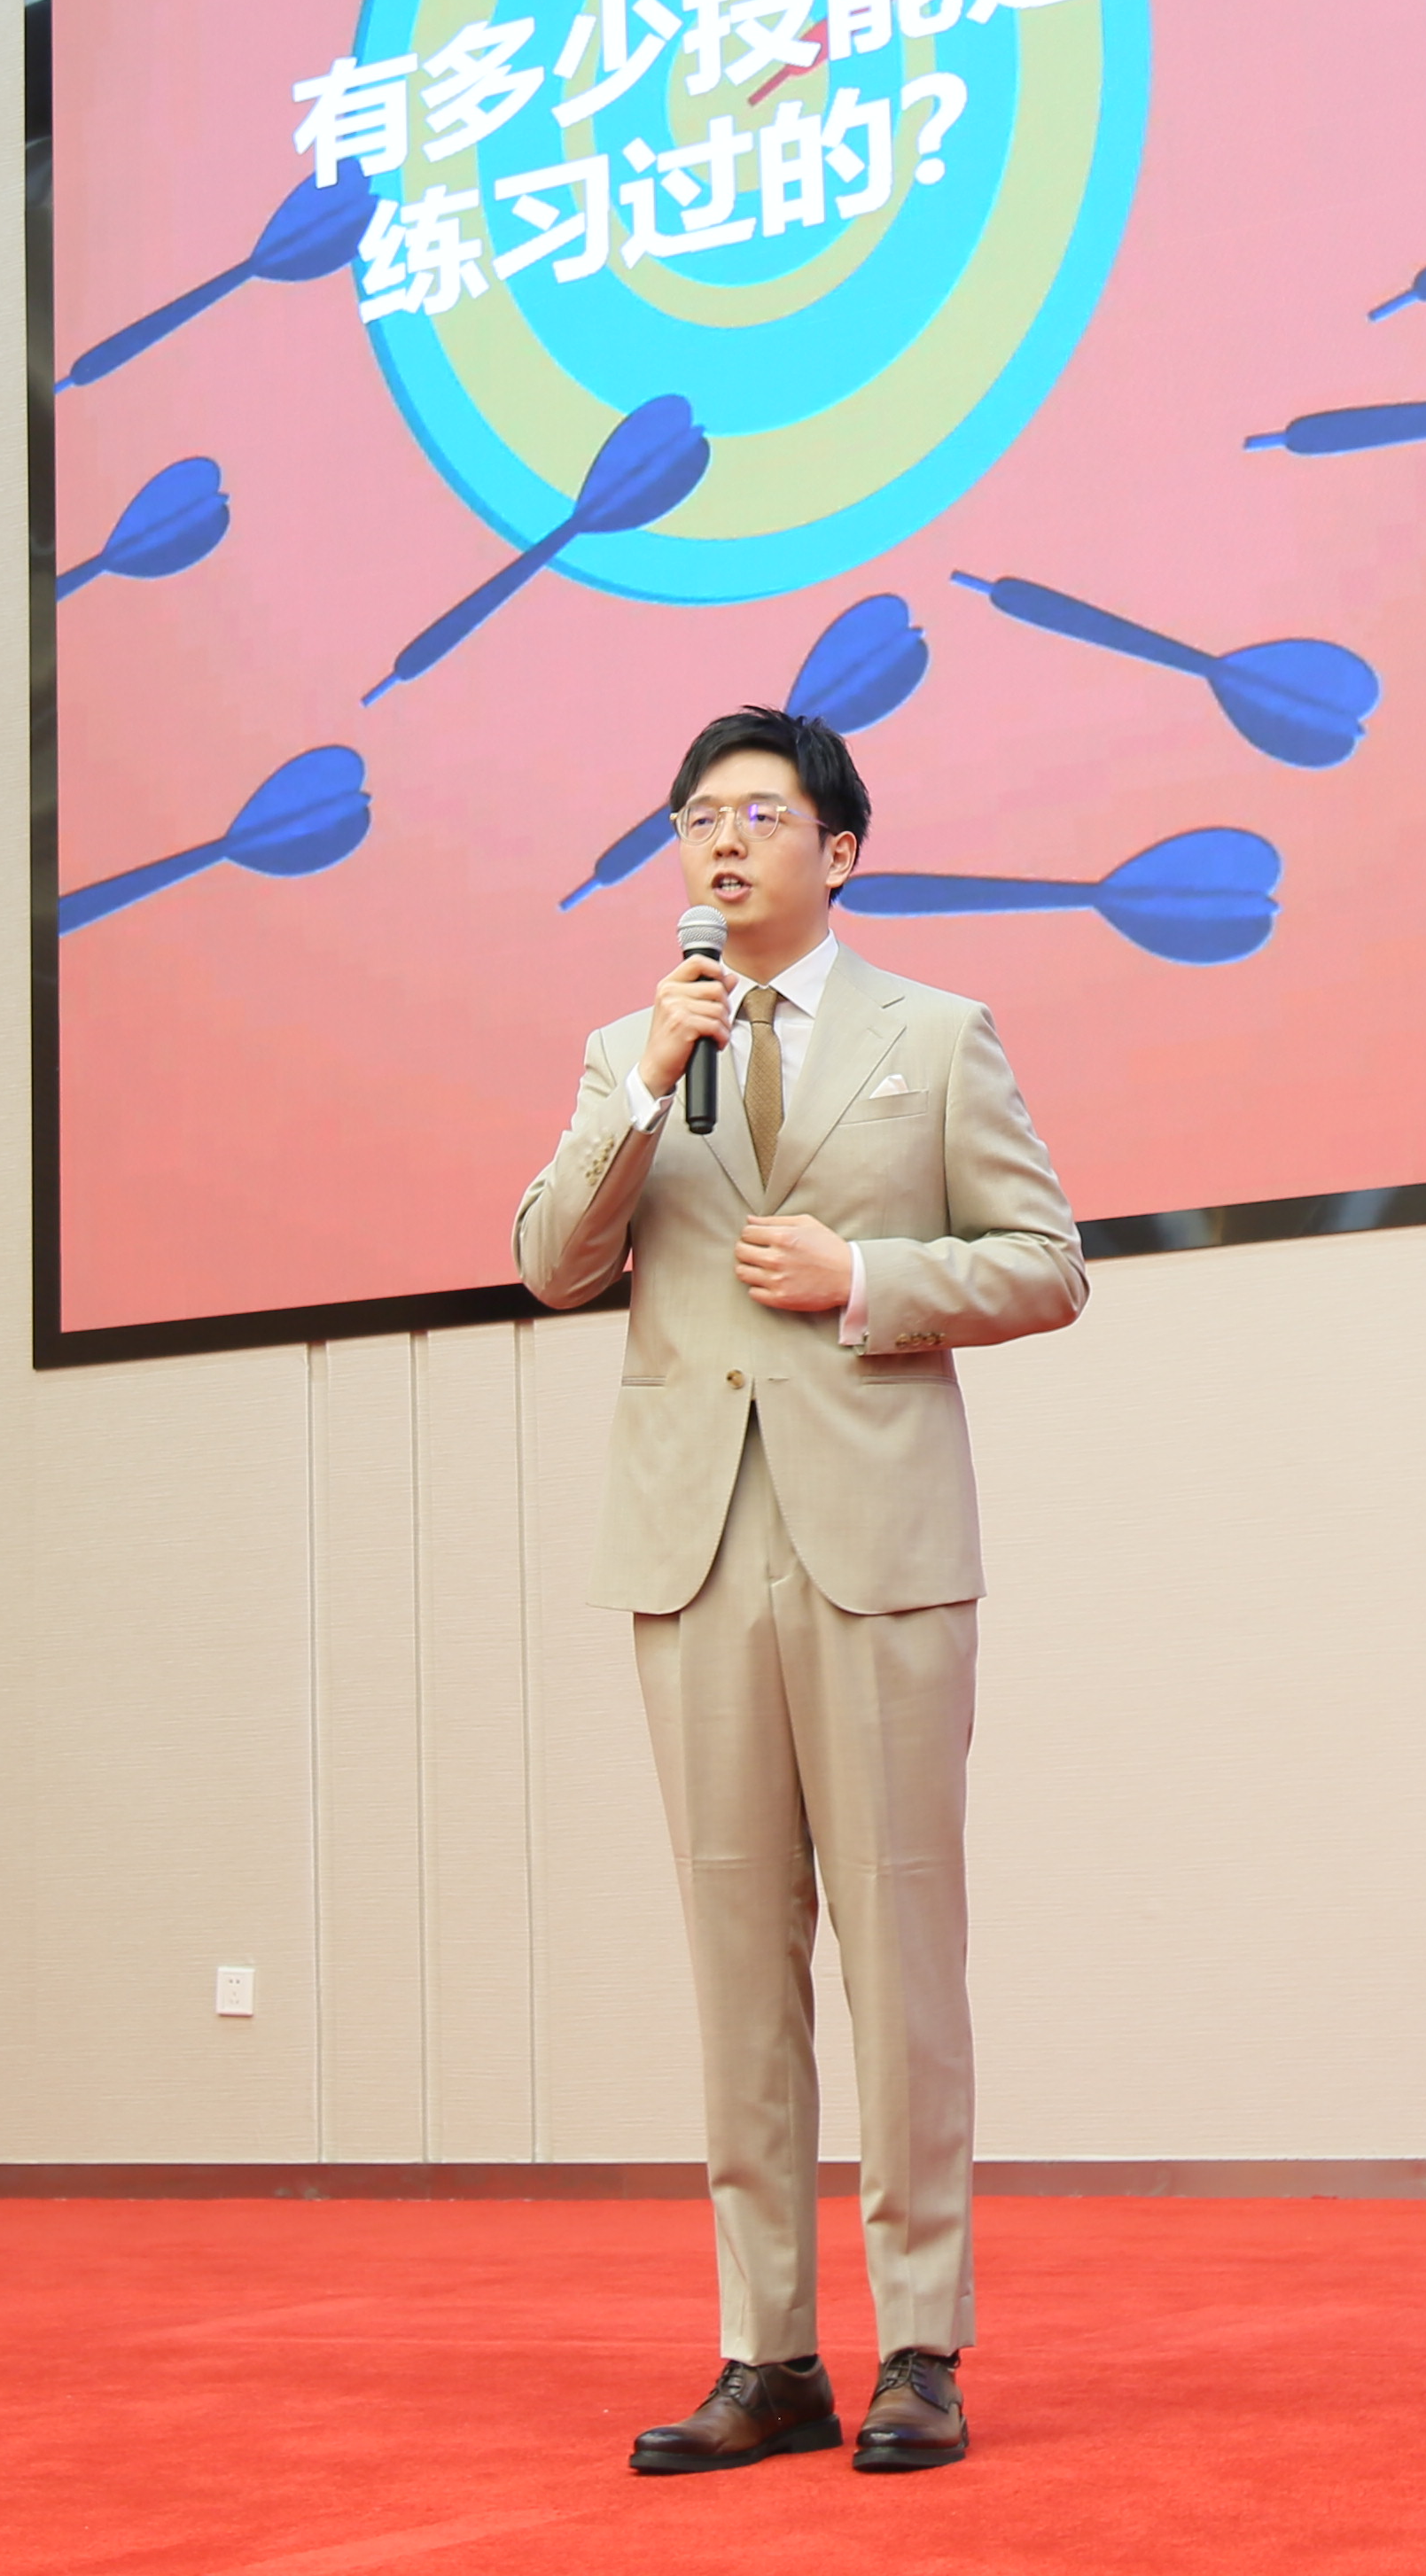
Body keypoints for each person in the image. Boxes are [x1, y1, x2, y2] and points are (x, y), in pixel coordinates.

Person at [511, 707, 1086, 2477]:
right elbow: (550, 1265)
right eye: (697, 819)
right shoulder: (633, 1048)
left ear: (839, 851)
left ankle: (920, 2343)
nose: (720, 843)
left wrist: (869, 1275)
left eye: (757, 815)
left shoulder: (938, 1034)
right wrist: (639, 1086)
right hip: (692, 1547)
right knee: (734, 1957)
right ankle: (767, 2353)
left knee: (900, 1947)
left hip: (878, 1547)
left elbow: (1047, 1263)